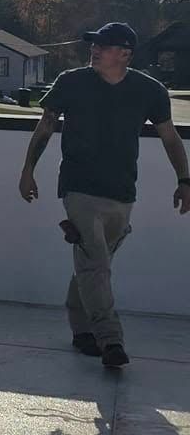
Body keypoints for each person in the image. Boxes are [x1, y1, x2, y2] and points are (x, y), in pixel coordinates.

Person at [18, 21, 190, 369]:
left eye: (103, 46)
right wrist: (27, 170)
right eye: (94, 44)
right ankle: (110, 339)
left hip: (122, 192)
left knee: (93, 264)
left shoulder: (150, 90)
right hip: (78, 187)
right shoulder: (71, 82)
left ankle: (81, 329)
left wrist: (185, 180)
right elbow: (46, 124)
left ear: (125, 54)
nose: (94, 50)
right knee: (95, 261)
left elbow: (170, 137)